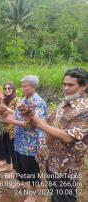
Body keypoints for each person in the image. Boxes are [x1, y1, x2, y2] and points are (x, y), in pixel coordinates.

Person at [30, 68, 88, 202]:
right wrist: (32, 117)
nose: (66, 88)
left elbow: (69, 137)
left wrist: (39, 124)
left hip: (66, 166)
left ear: (84, 86)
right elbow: (49, 123)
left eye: (71, 85)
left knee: (65, 198)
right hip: (52, 160)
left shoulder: (85, 109)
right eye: (64, 84)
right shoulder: (64, 103)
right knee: (55, 196)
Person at [3, 75, 47, 202]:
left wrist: (11, 121)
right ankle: (21, 183)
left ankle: (34, 195)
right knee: (20, 164)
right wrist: (7, 114)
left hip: (30, 143)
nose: (21, 88)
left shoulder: (38, 103)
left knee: (30, 168)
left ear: (33, 87)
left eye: (24, 86)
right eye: (21, 86)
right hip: (19, 140)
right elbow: (16, 116)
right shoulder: (24, 100)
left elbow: (33, 124)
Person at [0, 82, 20, 172]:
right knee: (5, 146)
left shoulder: (16, 100)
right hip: (3, 127)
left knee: (12, 149)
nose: (7, 90)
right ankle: (8, 165)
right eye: (5, 88)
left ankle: (15, 170)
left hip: (12, 129)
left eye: (9, 88)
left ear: (13, 89)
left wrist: (8, 110)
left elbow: (19, 115)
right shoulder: (2, 99)